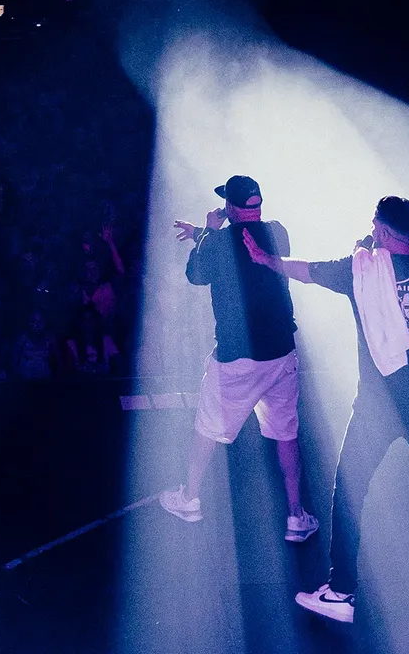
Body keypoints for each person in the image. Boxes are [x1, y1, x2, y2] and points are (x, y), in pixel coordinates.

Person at [243, 195, 409, 624]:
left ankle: (341, 592)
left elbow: (310, 271)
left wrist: (266, 260)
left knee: (350, 491)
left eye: (375, 226)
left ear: (388, 232)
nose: (370, 231)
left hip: (378, 403)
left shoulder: (361, 273)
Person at [160, 175, 318, 542]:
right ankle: (296, 516)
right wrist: (208, 232)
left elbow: (195, 275)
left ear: (229, 207)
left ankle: (190, 497)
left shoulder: (217, 242)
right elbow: (246, 246)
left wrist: (206, 232)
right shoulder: (279, 232)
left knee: (207, 427)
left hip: (237, 357)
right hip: (279, 353)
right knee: (285, 433)